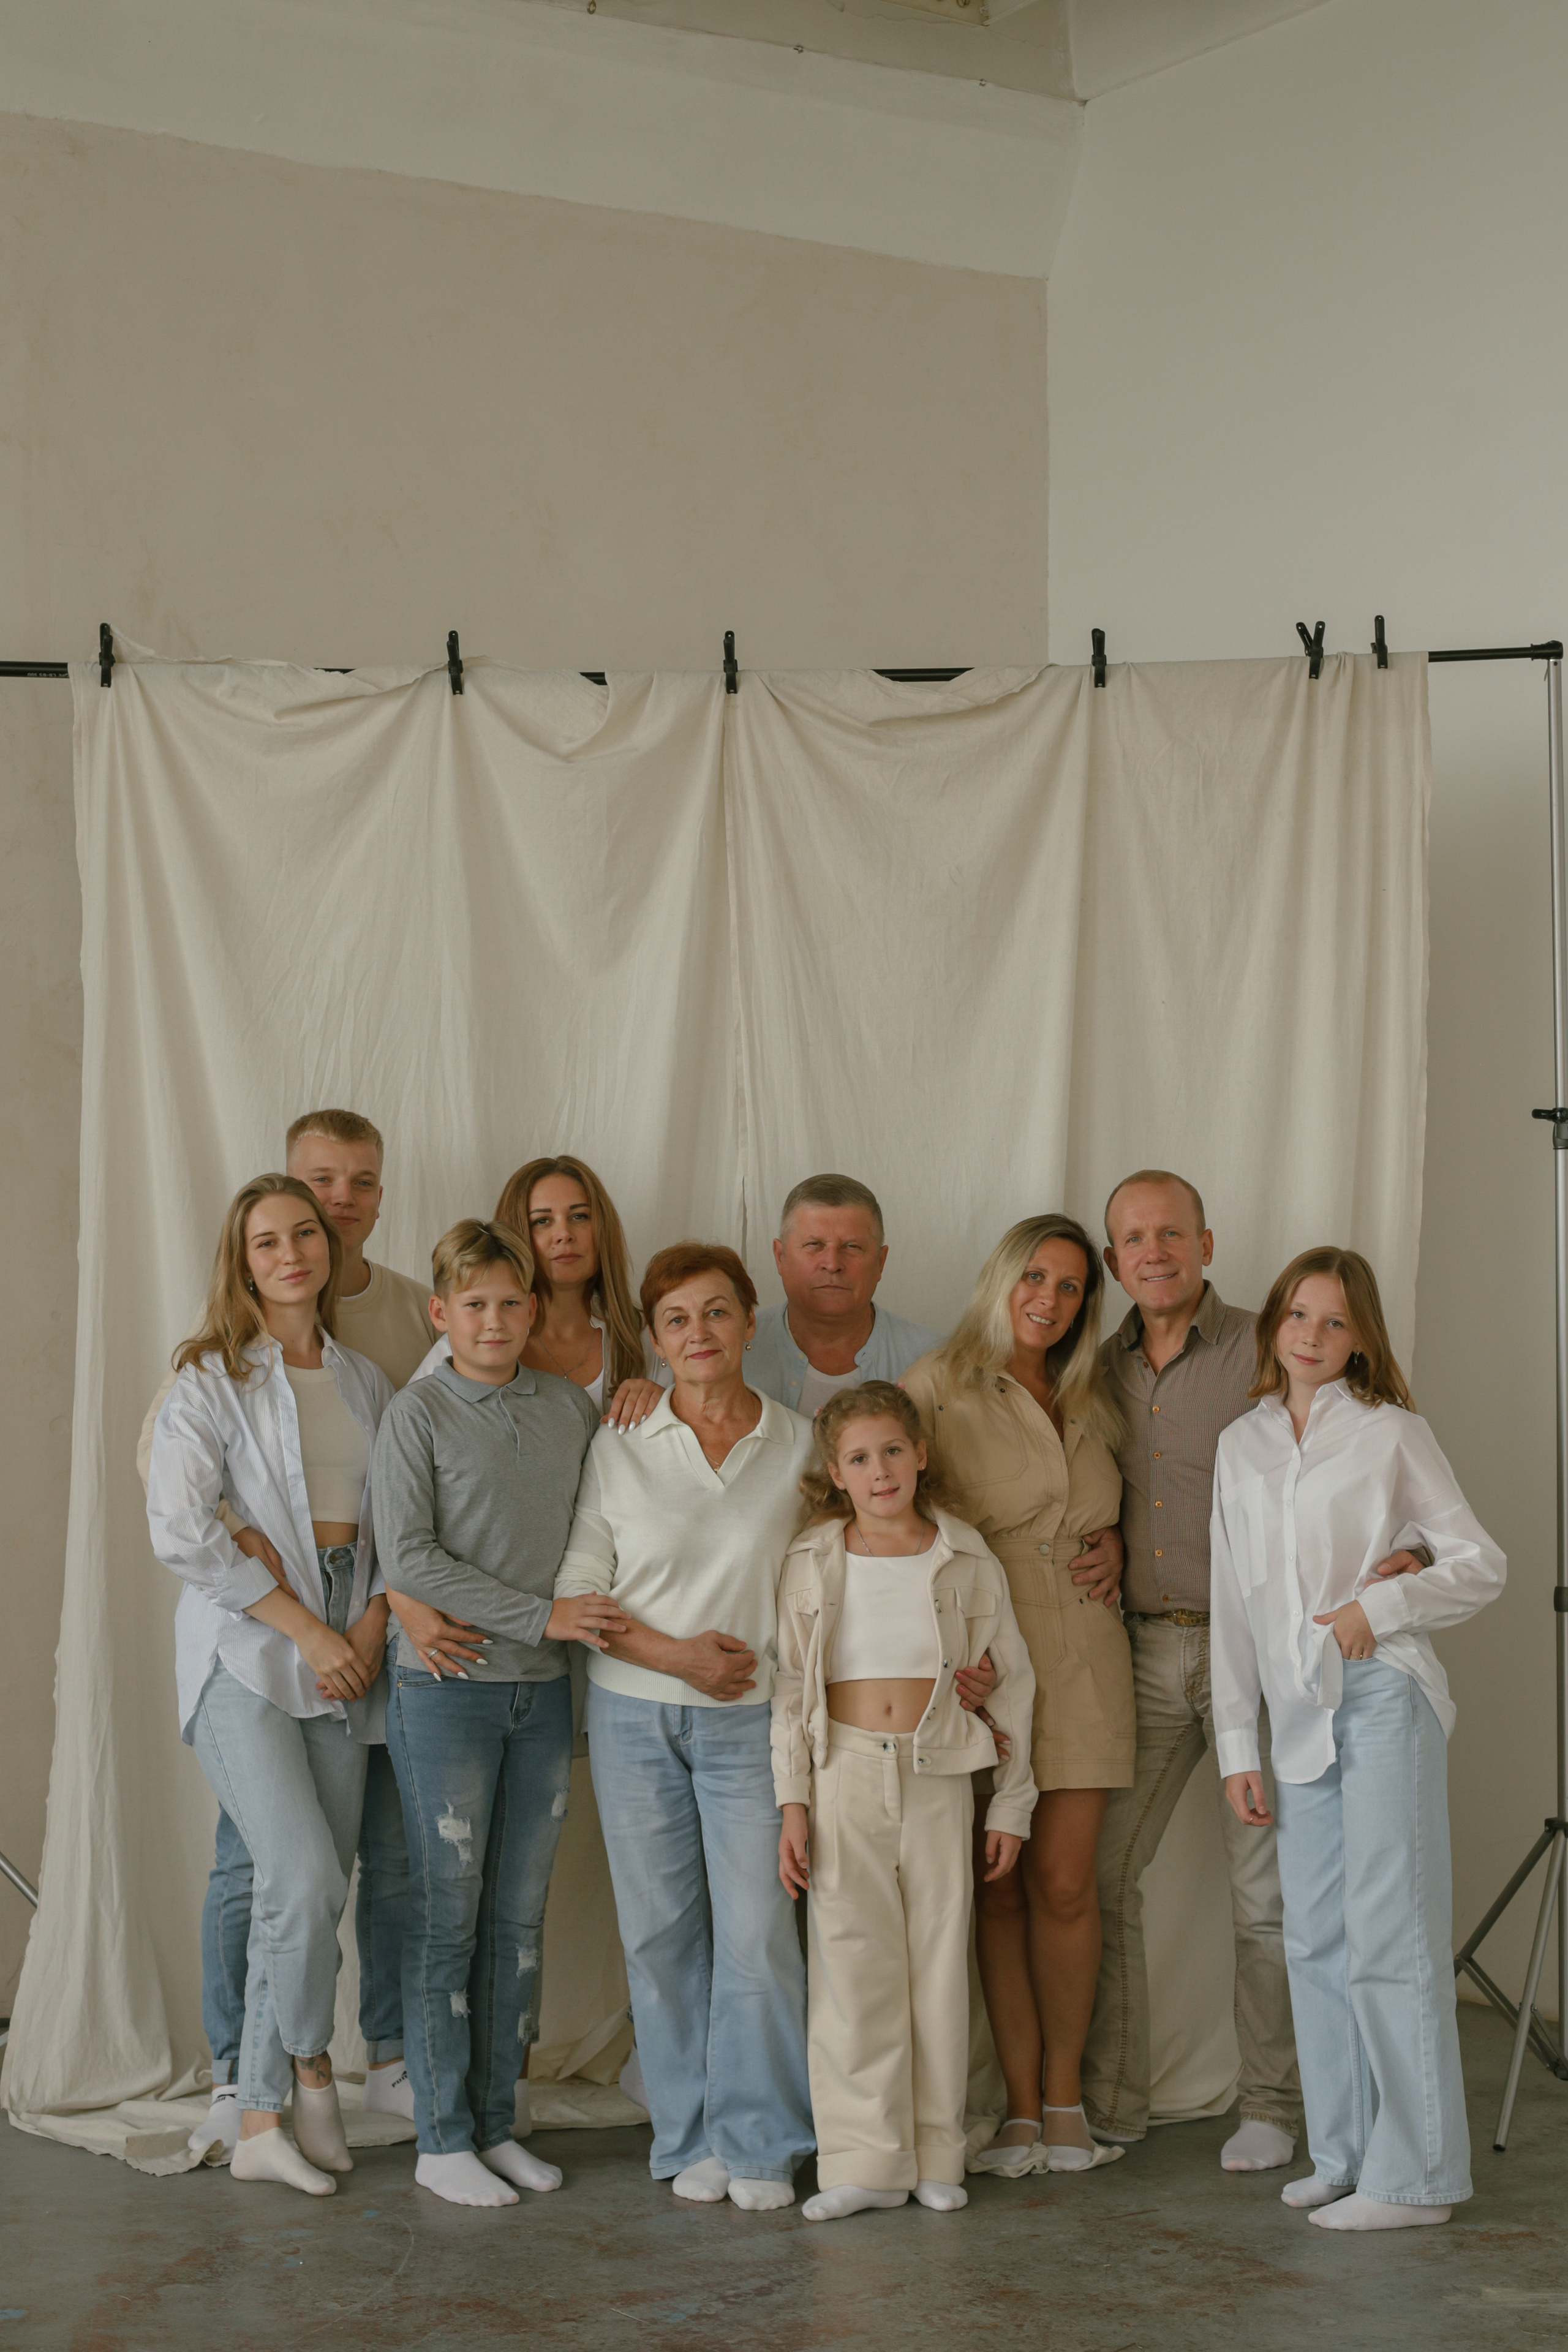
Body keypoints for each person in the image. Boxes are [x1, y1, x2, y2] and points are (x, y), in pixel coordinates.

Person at [1082, 1172, 1428, 2174]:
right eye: (1134, 1238)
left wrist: (1412, 1553)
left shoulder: (1269, 1342)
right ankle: (1112, 2102)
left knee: (1268, 1896)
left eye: (1172, 1233)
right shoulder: (1097, 1370)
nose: (1154, 1252)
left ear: (1206, 1244)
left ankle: (1273, 2104)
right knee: (1101, 1873)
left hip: (1271, 1659)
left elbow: (1373, 1468)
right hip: (1144, 1649)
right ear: (1114, 1260)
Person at [138, 1109, 447, 2153]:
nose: (290, 1253)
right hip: (250, 1642)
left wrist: (364, 1625)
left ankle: (283, 2112)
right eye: (266, 1241)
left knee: (313, 1886)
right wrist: (309, 1635)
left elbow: (399, 1523)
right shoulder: (208, 1377)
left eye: (304, 1233)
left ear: (332, 1240)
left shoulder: (366, 1380)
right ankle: (281, 2079)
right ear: (242, 1261)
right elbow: (181, 1529)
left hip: (353, 1639)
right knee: (293, 1875)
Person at [1213, 1247, 1504, 2232]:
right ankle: (1342, 2157)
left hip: (1382, 1696)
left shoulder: (1392, 1433)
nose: (1312, 1335)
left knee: (1391, 1937)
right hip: (1294, 1718)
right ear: (1274, 1323)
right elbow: (1231, 1604)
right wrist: (1237, 1746)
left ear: (1361, 1337)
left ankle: (1415, 2181)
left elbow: (1481, 1562)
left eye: (1335, 1321)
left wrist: (1379, 1606)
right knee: (1314, 1941)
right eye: (1298, 1314)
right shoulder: (1242, 1444)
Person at [553, 1243, 816, 2212]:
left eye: (715, 1312)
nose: (698, 1332)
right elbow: (580, 1592)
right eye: (676, 1319)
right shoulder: (620, 1441)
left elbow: (834, 1582)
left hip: (753, 1723)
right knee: (661, 1937)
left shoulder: (801, 1445)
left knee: (759, 1936)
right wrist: (679, 1659)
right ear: (655, 1340)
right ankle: (689, 2136)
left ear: (749, 1322)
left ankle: (763, 2142)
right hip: (632, 1720)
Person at [372, 1218, 617, 2209]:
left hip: (543, 1694)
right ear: (442, 1313)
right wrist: (541, 1617)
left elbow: (605, 1520)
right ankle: (440, 2140)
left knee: (517, 1919)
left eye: (512, 1302)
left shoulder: (567, 1408)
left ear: (534, 1309)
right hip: (446, 1692)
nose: (495, 1320)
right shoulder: (417, 1414)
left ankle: (494, 2122)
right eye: (474, 1304)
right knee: (449, 1916)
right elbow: (409, 1557)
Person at [774, 1383, 1036, 2223]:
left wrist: (1012, 1807)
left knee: (936, 1962)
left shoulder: (964, 1555)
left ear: (921, 1455)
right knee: (853, 1966)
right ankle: (864, 2161)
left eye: (892, 1451)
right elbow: (790, 1689)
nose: (879, 1470)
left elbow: (1013, 1684)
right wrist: (792, 1803)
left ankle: (935, 2152)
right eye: (858, 1458)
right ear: (835, 1473)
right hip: (844, 1773)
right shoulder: (812, 1558)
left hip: (939, 1774)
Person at [903, 1215, 1132, 2177]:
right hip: (982, 1659)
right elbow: (889, 1520)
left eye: (1072, 1286)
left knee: (1065, 1886)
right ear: (1000, 1278)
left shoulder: (1099, 1389)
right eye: (1034, 1276)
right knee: (995, 1890)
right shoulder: (935, 1385)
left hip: (1086, 1651)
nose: (1049, 1299)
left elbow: (1149, 1496)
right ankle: (1020, 2110)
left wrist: (1121, 1544)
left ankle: (1068, 2102)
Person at [408, 1153, 663, 1428]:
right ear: (514, 1236)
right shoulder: (467, 1343)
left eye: (579, 1216)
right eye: (542, 1221)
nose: (564, 1234)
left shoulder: (645, 1336)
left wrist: (667, 1403)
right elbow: (413, 1423)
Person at [742, 1174, 941, 1414]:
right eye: (814, 1245)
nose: (832, 1264)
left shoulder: (936, 1361)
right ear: (780, 1256)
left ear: (880, 1261)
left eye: (852, 1247)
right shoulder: (732, 1352)